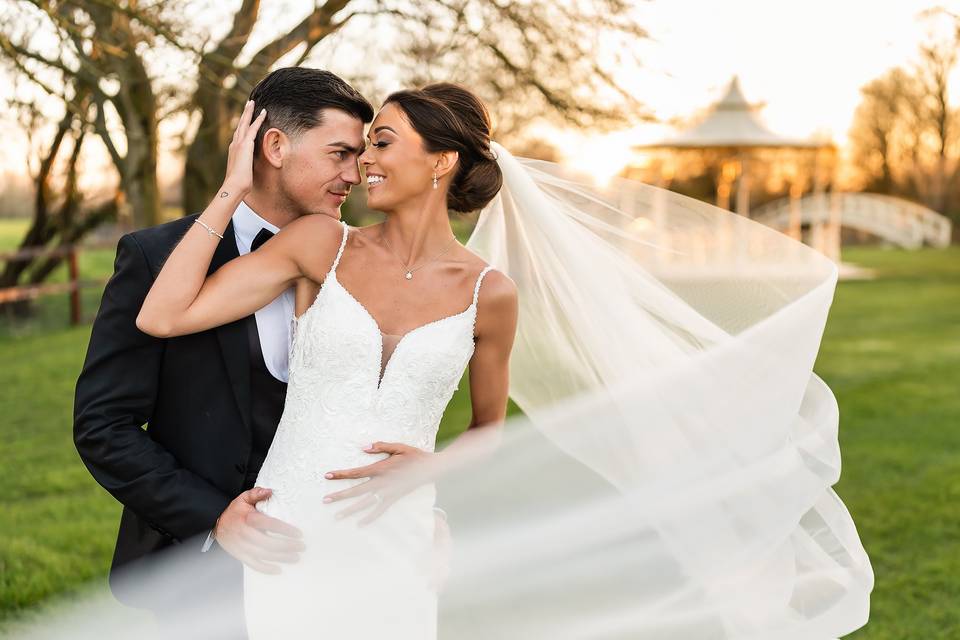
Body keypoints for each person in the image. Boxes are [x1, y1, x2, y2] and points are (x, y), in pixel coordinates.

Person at [135, 84, 519, 637]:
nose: (364, 162)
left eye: (382, 144)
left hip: (400, 538)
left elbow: (489, 431)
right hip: (292, 532)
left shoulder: (492, 294)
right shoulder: (320, 244)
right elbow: (163, 316)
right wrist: (231, 188)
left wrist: (431, 469)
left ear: (442, 160)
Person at [72, 67, 377, 634]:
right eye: (339, 154)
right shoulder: (152, 258)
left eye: (359, 157)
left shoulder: (357, 262)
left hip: (333, 563)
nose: (354, 174)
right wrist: (213, 519)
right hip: (196, 574)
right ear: (275, 145)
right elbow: (102, 425)